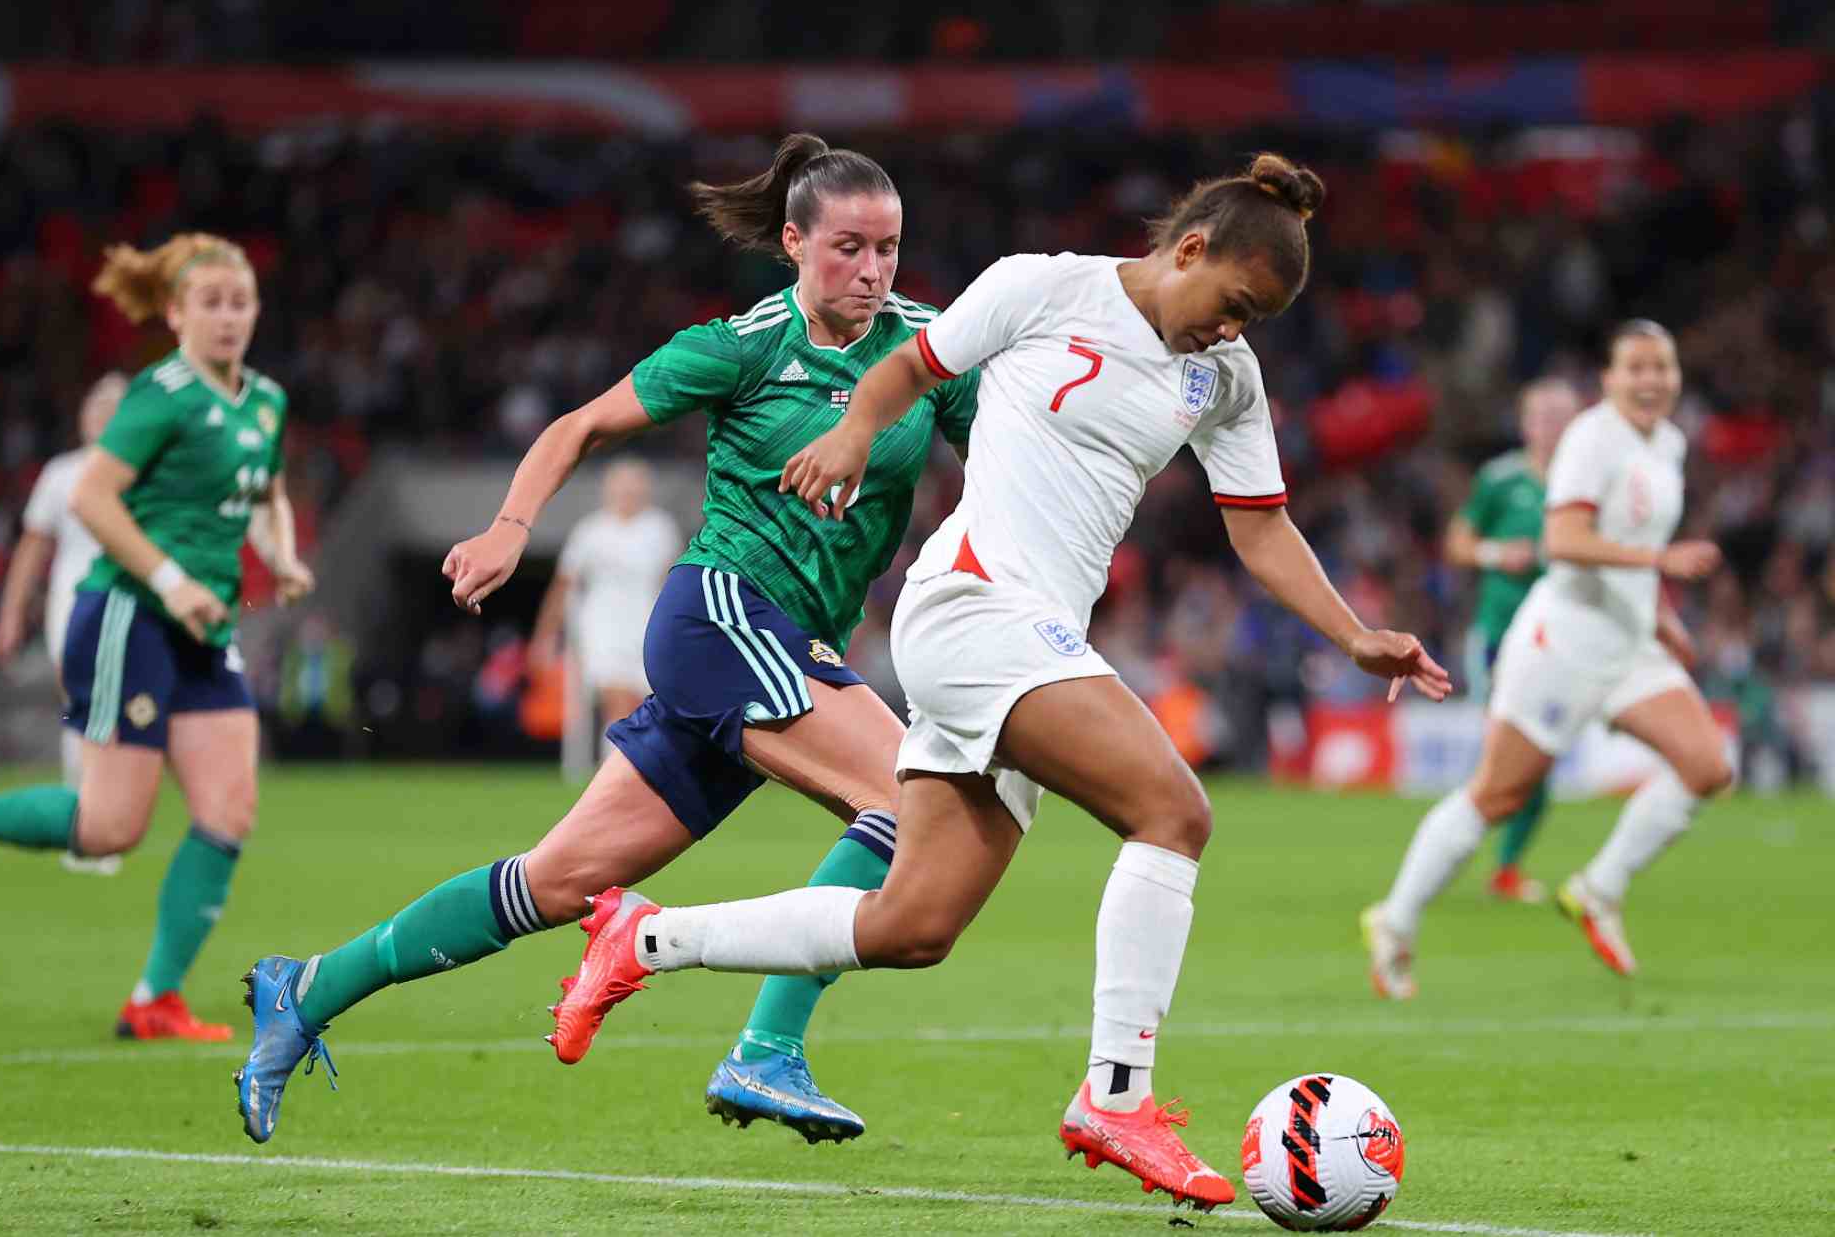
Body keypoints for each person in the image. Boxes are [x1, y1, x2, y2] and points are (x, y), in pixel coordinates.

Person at [540, 154, 1451, 1212]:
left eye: (1254, 320)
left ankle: (646, 937)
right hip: (974, 606)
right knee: (1173, 811)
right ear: (1190, 249)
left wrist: (1353, 635)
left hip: (1035, 635)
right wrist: (852, 432)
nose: (1231, 329)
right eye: (1234, 302)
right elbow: (907, 367)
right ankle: (1116, 1095)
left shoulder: (1228, 378)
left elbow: (1260, 527)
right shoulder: (1044, 286)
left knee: (911, 925)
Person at [233, 133, 979, 1147]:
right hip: (721, 619)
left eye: (888, 248)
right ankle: (766, 1049)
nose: (873, 270)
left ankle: (309, 988)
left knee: (554, 881)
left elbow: (1007, 455)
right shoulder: (743, 346)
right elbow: (577, 427)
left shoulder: (929, 350)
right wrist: (509, 527)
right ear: (794, 243)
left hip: (783, 649)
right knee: (903, 797)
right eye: (849, 247)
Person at [0, 233, 315, 1041]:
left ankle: (154, 999)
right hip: (129, 616)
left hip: (203, 627)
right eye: (210, 303)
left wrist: (280, 554)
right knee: (112, 827)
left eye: (239, 303)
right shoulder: (160, 395)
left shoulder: (267, 402)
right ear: (175, 313)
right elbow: (92, 497)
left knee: (229, 808)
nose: (227, 317)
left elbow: (267, 494)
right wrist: (170, 580)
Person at [1364, 320, 1728, 997]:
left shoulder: (1669, 444)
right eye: (1636, 368)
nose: (1651, 380)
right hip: (1563, 643)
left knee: (1708, 766)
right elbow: (1563, 541)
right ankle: (1396, 920)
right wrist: (1660, 562)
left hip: (1630, 644)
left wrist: (1662, 617)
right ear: (1609, 379)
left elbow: (1628, 539)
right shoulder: (1592, 439)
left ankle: (1598, 889)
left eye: (1662, 367)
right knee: (1498, 795)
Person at [1442, 377, 1581, 903]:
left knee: (1540, 762)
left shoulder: (1587, 484)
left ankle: (1505, 869)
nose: (1553, 427)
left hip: (1563, 641)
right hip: (1501, 637)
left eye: (1562, 417)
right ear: (1525, 425)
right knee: (1505, 756)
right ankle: (1446, 852)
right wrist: (1497, 554)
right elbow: (1458, 542)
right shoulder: (1500, 480)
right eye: (1543, 416)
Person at [0, 372, 129, 876]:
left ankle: (103, 822)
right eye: (98, 410)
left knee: (112, 714)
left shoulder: (144, 474)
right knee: (84, 708)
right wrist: (10, 614)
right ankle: (86, 823)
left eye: (114, 411)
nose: (104, 420)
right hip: (72, 603)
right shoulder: (61, 475)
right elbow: (31, 549)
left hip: (128, 603)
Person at [528, 457, 685, 730]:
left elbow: (676, 584)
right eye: (621, 485)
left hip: (648, 624)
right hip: (602, 627)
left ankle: (630, 750)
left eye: (634, 485)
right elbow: (564, 585)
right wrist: (546, 634)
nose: (628, 492)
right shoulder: (590, 531)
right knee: (616, 699)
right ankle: (616, 751)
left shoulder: (661, 528)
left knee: (647, 703)